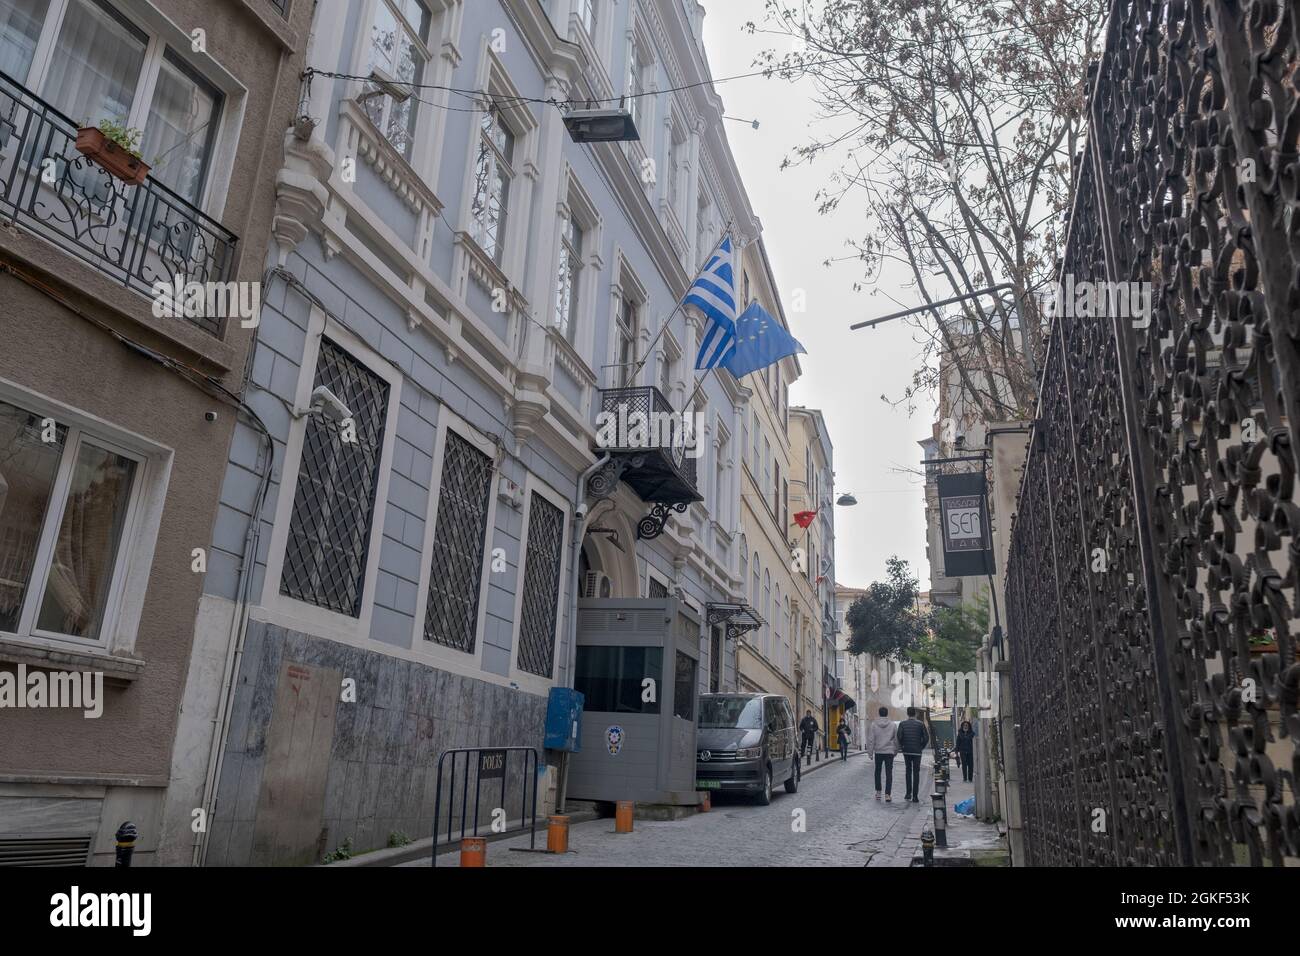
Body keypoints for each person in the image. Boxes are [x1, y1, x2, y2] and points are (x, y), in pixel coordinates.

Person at [896, 706, 930, 802]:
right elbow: (926, 737)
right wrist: (921, 747)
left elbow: (899, 736)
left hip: (906, 751)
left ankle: (908, 793)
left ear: (907, 713)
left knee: (908, 771)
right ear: (915, 714)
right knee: (916, 773)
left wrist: (903, 745)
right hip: (917, 752)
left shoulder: (902, 724)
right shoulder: (920, 724)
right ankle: (915, 796)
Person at [866, 706, 898, 802]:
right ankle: (888, 794)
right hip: (889, 752)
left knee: (877, 772)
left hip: (879, 751)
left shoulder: (873, 724)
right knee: (889, 773)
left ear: (879, 713)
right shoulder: (893, 725)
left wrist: (870, 753)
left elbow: (871, 739)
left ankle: (878, 792)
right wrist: (895, 751)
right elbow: (896, 740)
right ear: (887, 713)